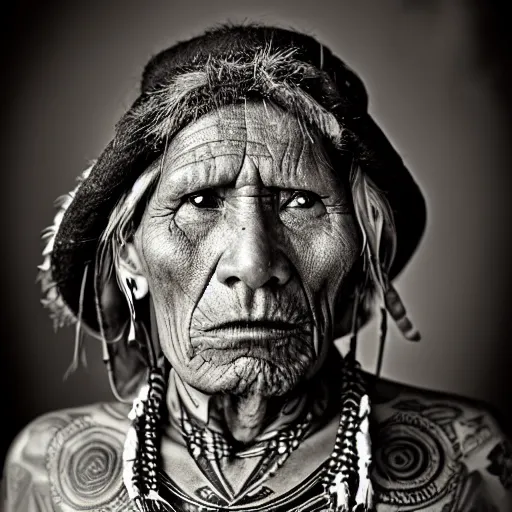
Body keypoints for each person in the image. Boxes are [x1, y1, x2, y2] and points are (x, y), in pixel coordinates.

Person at [1, 23, 511, 512]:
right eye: (200, 201)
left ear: (360, 251)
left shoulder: (468, 460)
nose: (253, 264)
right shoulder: (45, 466)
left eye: (300, 203)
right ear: (130, 255)